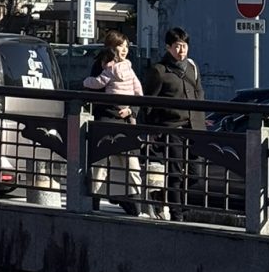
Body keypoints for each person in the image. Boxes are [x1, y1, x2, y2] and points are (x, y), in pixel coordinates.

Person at [142, 27, 206, 221]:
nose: (181, 50)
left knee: (196, 173)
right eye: (177, 46)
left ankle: (177, 203)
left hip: (194, 127)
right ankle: (177, 213)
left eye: (184, 46)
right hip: (172, 127)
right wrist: (153, 129)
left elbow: (199, 93)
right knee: (175, 173)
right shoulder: (160, 70)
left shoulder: (192, 67)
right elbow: (148, 102)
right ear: (168, 47)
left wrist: (201, 117)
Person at [83, 31, 144, 216]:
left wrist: (131, 110)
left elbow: (137, 91)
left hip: (123, 119)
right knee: (101, 163)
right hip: (108, 118)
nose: (124, 50)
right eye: (120, 46)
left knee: (130, 162)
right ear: (111, 47)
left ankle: (132, 202)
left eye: (126, 46)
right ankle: (95, 201)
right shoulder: (102, 64)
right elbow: (95, 91)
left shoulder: (126, 66)